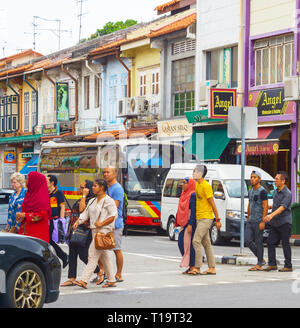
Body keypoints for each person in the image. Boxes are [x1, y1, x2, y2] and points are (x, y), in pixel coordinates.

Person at [73, 179, 118, 289]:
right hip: (94, 231)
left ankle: (84, 280)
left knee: (92, 255)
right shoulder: (92, 200)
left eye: (95, 186)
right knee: (104, 257)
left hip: (104, 231)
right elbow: (85, 213)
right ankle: (112, 280)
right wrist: (78, 221)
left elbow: (113, 216)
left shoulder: (109, 201)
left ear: (102, 187)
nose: (92, 188)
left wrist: (101, 223)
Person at [61, 180, 101, 287]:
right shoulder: (81, 199)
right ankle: (72, 278)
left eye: (82, 187)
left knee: (83, 255)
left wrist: (84, 196)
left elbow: (82, 210)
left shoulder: (91, 200)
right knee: (72, 254)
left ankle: (99, 271)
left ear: (87, 189)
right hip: (75, 230)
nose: (80, 188)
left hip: (85, 231)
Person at [191, 164, 221, 275]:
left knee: (196, 240)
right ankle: (212, 268)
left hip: (206, 218)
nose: (193, 173)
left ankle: (197, 267)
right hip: (199, 218)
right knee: (206, 243)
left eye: (194, 171)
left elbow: (212, 203)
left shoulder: (206, 186)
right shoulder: (197, 185)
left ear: (200, 173)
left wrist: (217, 219)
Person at [97, 166, 125, 283]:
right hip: (105, 223)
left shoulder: (117, 188)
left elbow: (114, 206)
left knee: (116, 249)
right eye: (104, 172)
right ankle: (102, 272)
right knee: (99, 249)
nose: (105, 174)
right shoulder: (107, 187)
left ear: (114, 174)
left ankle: (118, 274)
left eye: (108, 172)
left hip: (115, 224)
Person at [263, 171, 293, 272]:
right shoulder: (276, 191)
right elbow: (276, 206)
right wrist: (268, 209)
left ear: (283, 181)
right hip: (275, 223)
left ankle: (288, 266)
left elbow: (282, 207)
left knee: (285, 244)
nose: (275, 180)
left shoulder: (287, 193)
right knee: (270, 242)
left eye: (277, 179)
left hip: (284, 222)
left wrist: (270, 215)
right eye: (275, 178)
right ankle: (272, 264)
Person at [16, 172, 51, 243]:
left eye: (28, 179)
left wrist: (25, 215)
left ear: (35, 182)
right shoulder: (28, 194)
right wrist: (21, 217)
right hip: (25, 231)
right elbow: (25, 211)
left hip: (37, 234)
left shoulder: (42, 197)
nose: (26, 181)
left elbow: (41, 215)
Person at [246, 171, 268, 271]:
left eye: (255, 177)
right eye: (251, 177)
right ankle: (261, 258)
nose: (252, 179)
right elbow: (249, 204)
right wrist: (248, 217)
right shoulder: (250, 190)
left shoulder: (262, 191)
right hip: (251, 220)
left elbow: (265, 206)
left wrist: (263, 221)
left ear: (259, 179)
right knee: (248, 240)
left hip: (259, 220)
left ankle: (259, 263)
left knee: (259, 242)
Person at [175, 177, 196, 275]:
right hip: (184, 223)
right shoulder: (183, 194)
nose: (182, 185)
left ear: (190, 184)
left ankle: (192, 266)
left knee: (189, 245)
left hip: (190, 223)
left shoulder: (192, 195)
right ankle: (190, 265)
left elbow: (193, 211)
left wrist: (191, 224)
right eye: (182, 183)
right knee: (181, 243)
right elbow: (180, 209)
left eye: (184, 183)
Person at [47, 174, 69, 268]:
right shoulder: (46, 193)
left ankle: (63, 257)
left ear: (52, 183)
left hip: (55, 220)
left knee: (50, 241)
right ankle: (63, 257)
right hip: (47, 220)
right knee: (48, 241)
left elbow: (62, 206)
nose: (45, 183)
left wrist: (61, 220)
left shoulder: (58, 192)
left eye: (47, 181)